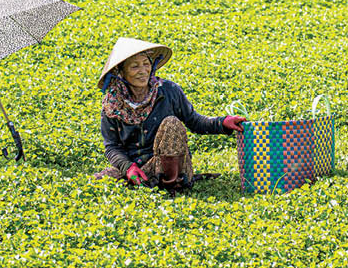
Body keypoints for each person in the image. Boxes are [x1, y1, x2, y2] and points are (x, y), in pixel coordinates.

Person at [93, 38, 246, 191]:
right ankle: (143, 180)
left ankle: (172, 183)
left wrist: (223, 122)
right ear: (121, 72)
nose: (142, 71)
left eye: (146, 64)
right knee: (100, 180)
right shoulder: (112, 105)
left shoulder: (169, 90)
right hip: (139, 167)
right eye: (134, 66)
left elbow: (194, 121)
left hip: (170, 166)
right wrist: (128, 167)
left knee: (171, 123)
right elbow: (112, 146)